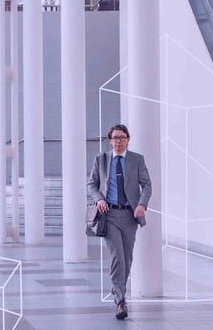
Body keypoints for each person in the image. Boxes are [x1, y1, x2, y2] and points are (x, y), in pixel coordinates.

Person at [86, 124, 152, 320]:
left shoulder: (137, 160)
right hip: (110, 215)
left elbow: (147, 184)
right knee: (117, 258)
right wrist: (98, 199)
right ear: (110, 140)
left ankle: (120, 293)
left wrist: (142, 204)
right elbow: (91, 183)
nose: (119, 141)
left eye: (122, 137)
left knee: (127, 257)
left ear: (128, 139)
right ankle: (120, 299)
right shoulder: (102, 160)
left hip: (131, 215)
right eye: (115, 138)